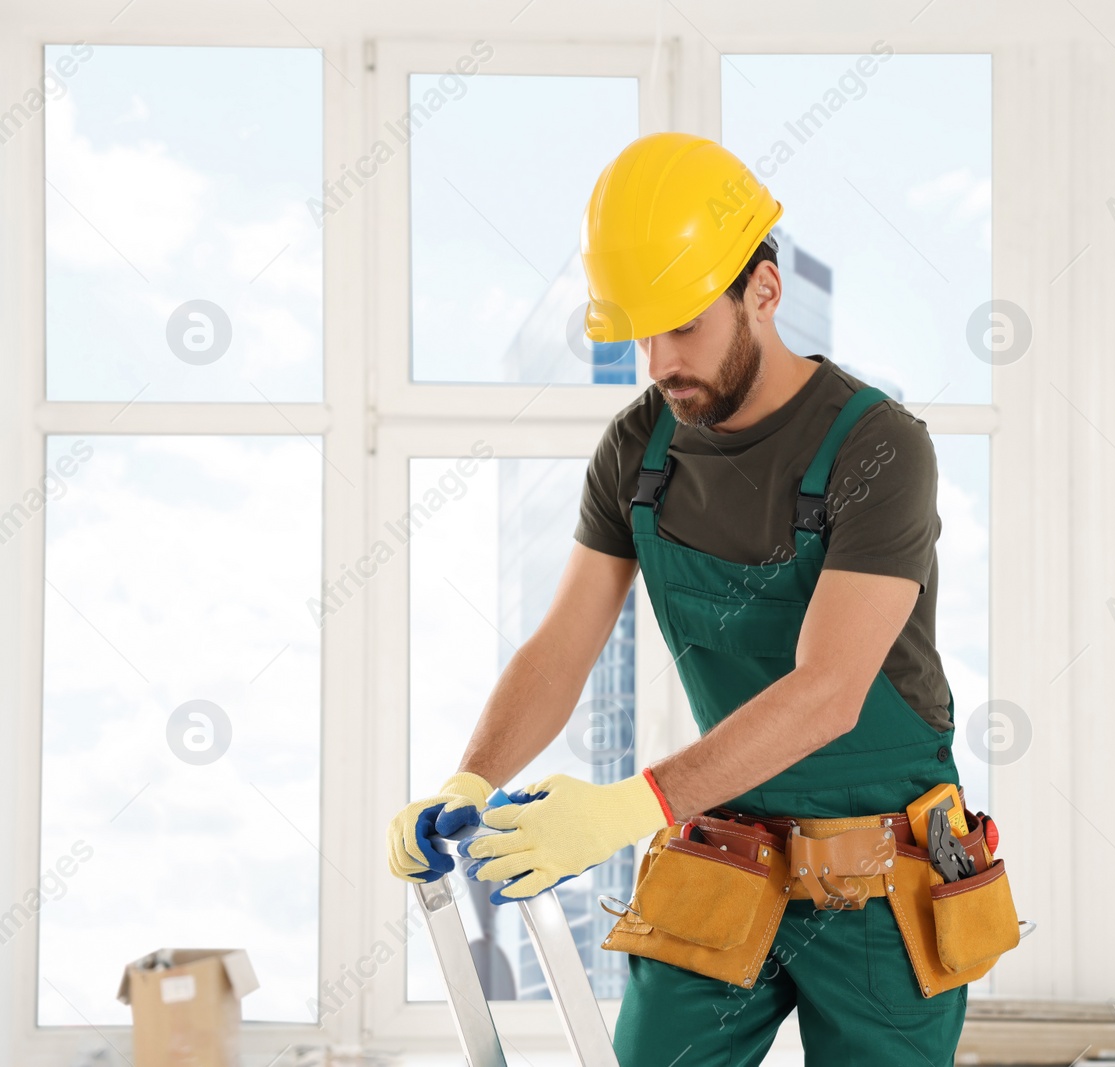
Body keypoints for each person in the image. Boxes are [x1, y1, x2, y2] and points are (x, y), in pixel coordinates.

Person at [386, 131, 998, 1065]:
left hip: (882, 878)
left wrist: (629, 806)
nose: (661, 360)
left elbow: (830, 689)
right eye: (641, 331)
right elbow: (560, 648)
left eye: (684, 325)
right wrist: (469, 778)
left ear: (764, 288)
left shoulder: (879, 447)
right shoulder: (640, 452)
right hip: (726, 856)